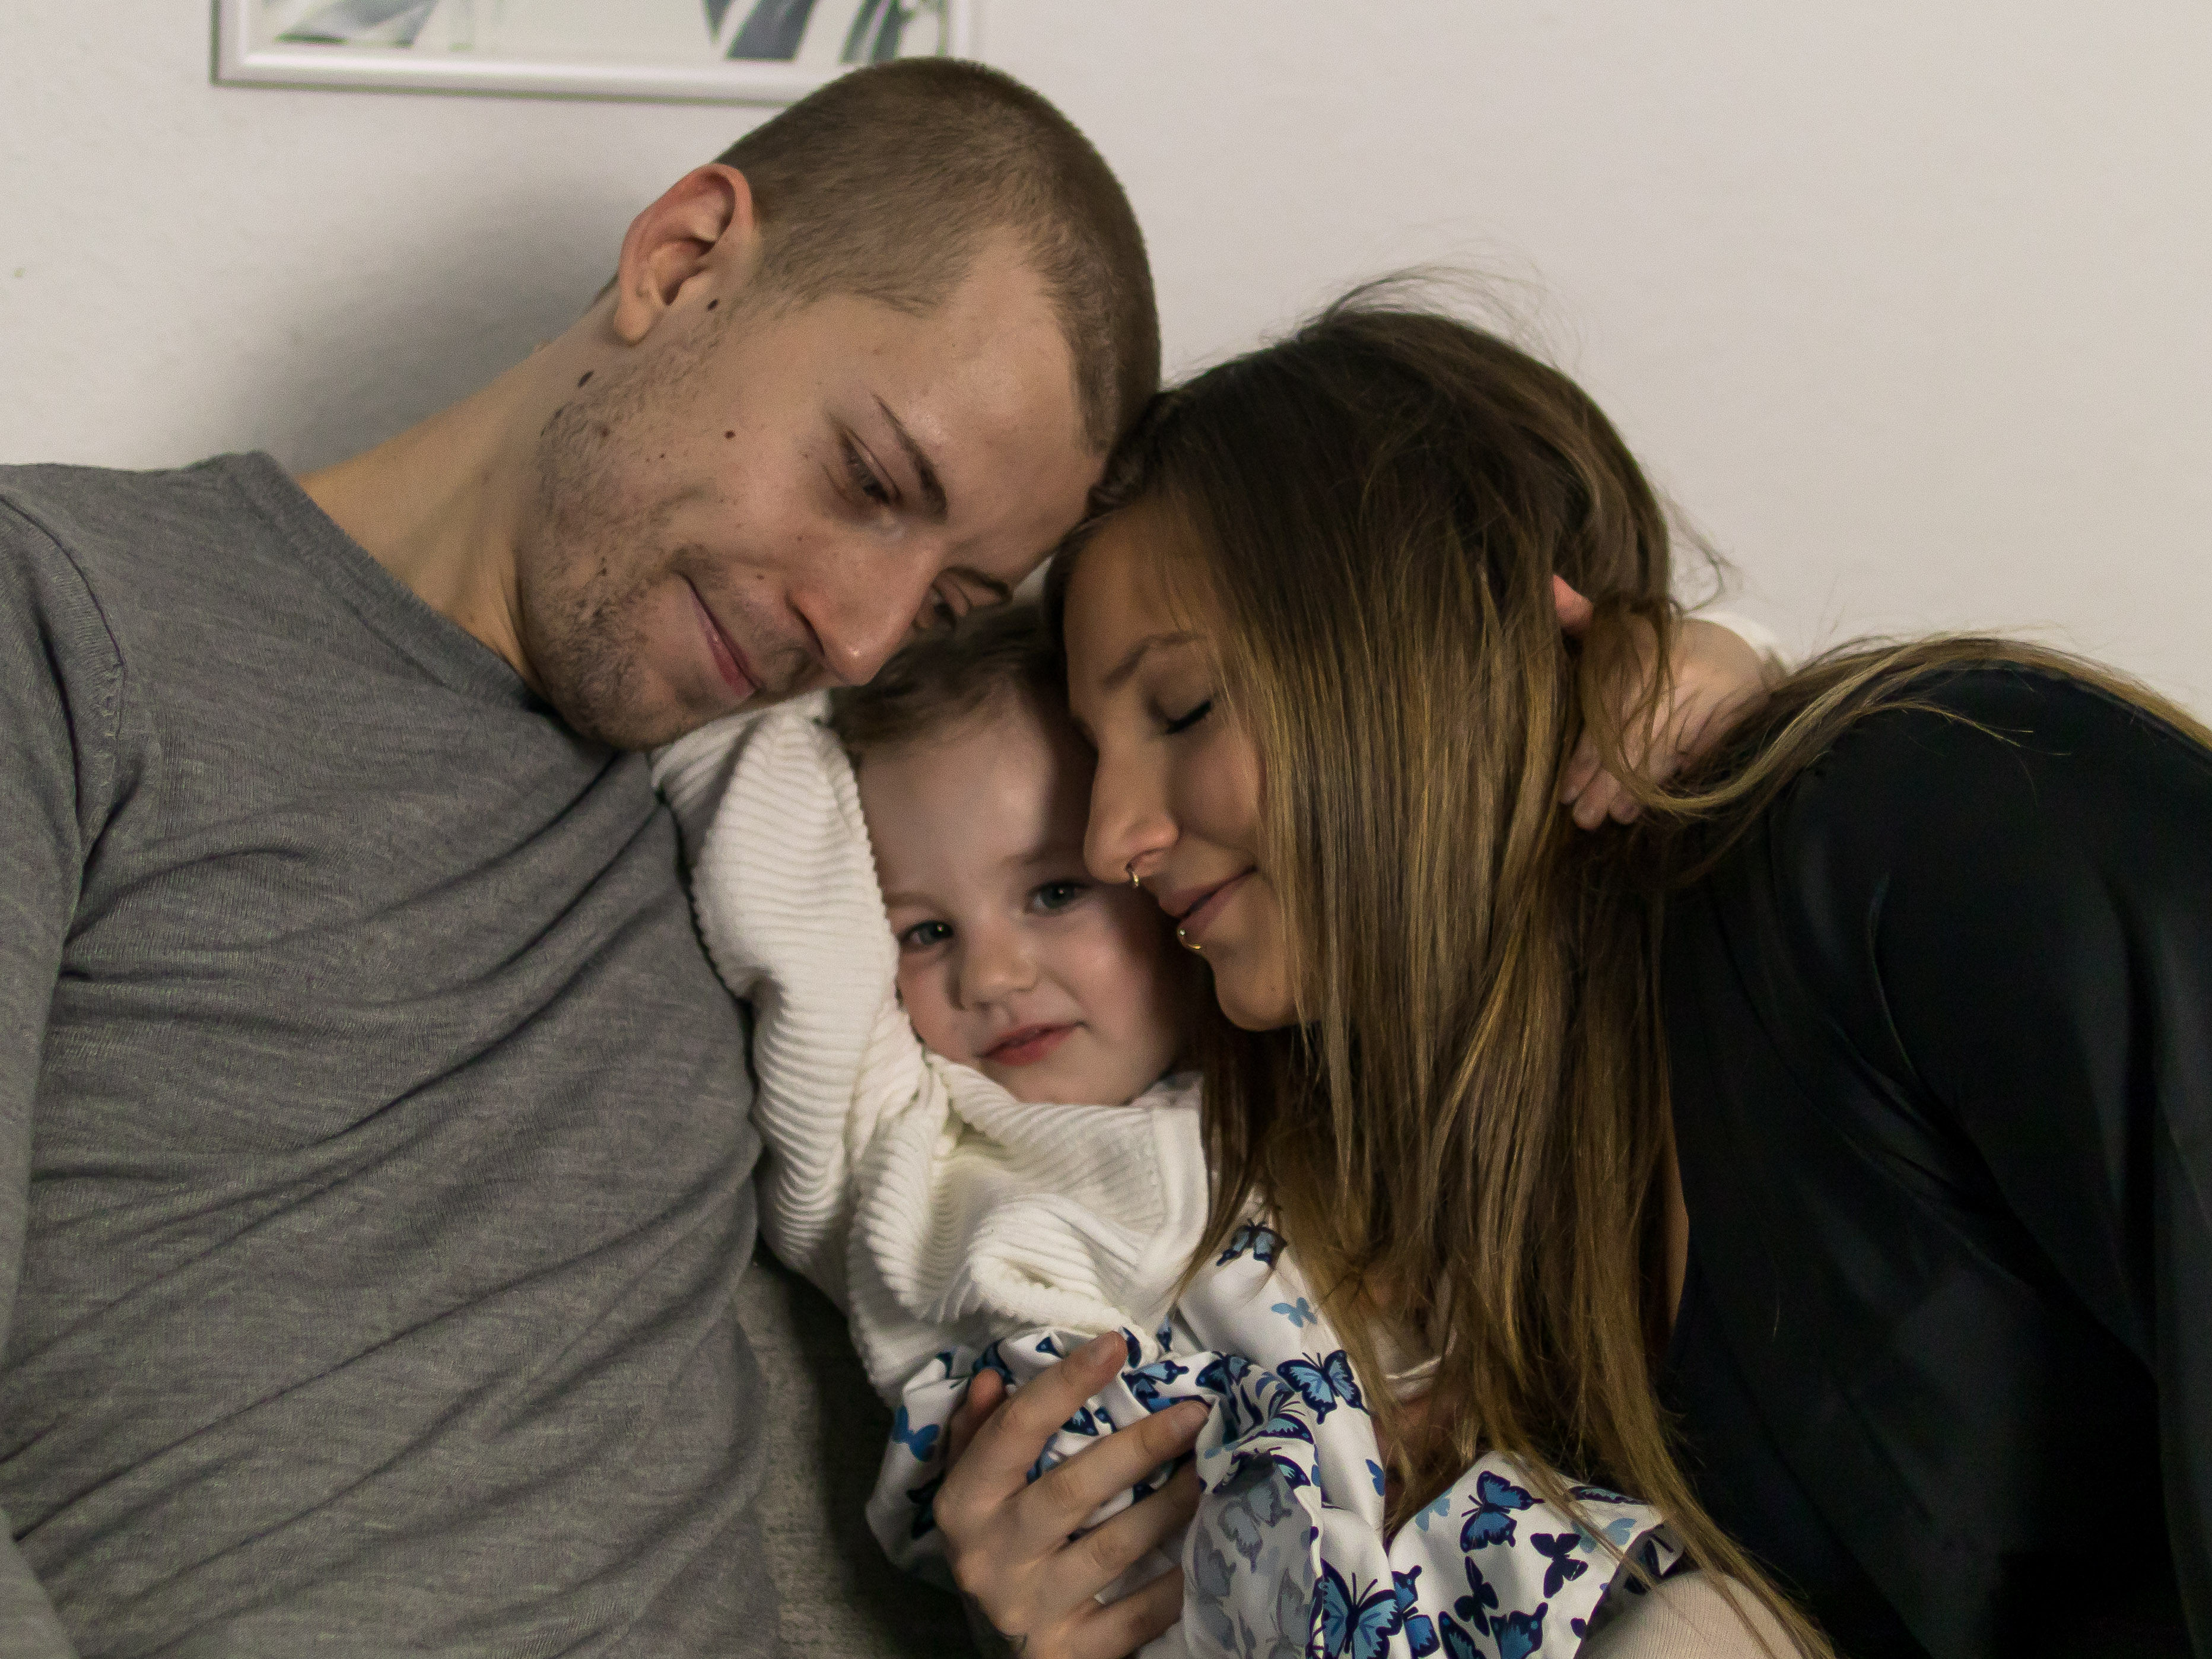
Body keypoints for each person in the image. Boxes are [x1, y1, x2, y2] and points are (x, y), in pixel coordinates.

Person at [0, 58, 1158, 1656]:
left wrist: (1625, 720)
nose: (867, 633)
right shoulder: (62, 619)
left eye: (953, 605)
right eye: (874, 482)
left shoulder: (800, 843)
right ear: (680, 262)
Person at [935, 290, 2212, 1659]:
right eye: (1095, 757)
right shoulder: (1416, 1262)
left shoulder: (1925, 821)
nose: (1114, 838)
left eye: (1182, 708)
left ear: (1439, 643)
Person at [657, 598, 1779, 1659]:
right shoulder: (919, 1147)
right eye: (926, 928)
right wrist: (846, 648)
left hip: (1473, 1584)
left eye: (1054, 893)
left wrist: (1723, 657)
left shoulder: (1314, 1075)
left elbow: (1563, 851)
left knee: (1729, 1624)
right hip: (1186, 1594)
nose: (991, 974)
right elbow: (734, 788)